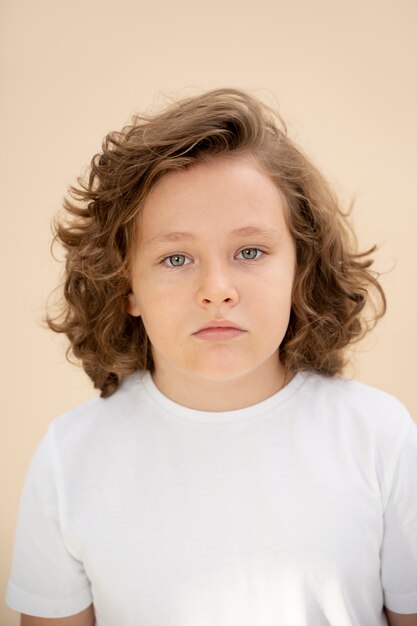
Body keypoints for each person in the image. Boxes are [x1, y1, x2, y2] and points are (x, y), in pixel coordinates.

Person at [6, 88, 417, 626]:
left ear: (301, 269)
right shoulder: (70, 458)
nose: (216, 289)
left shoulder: (379, 435)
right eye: (176, 257)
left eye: (250, 251)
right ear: (126, 284)